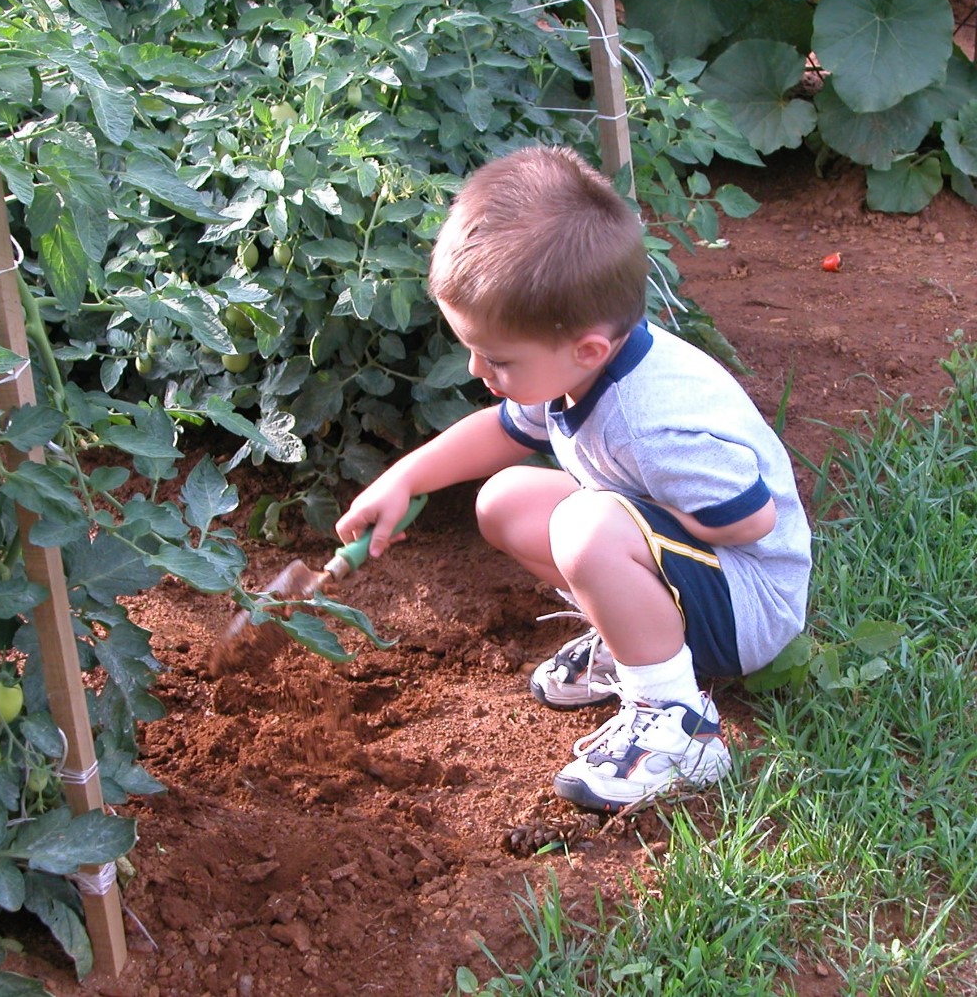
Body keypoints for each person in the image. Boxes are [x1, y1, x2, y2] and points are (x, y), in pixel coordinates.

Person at [334, 145, 811, 812]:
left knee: (588, 528)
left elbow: (751, 522)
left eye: (495, 357)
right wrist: (405, 479)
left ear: (586, 348)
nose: (476, 370)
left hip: (750, 606)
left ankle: (679, 724)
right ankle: (638, 638)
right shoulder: (572, 364)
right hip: (689, 570)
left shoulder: (657, 427)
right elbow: (503, 432)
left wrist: (637, 528)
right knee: (506, 502)